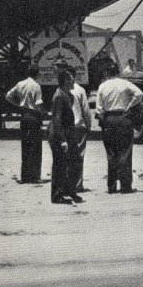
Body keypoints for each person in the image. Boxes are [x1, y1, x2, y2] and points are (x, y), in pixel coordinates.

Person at [94, 71, 143, 193]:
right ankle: (125, 186)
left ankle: (111, 186)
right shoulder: (124, 83)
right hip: (124, 118)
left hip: (109, 120)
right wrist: (130, 106)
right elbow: (139, 93)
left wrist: (106, 120)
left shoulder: (103, 86)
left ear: (107, 74)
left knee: (111, 153)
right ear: (118, 73)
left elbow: (99, 110)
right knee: (125, 152)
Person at [5, 64, 45, 183]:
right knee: (36, 146)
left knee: (25, 145)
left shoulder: (20, 84)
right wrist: (43, 113)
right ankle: (35, 176)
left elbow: (8, 96)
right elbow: (38, 103)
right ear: (37, 74)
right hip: (33, 116)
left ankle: (25, 176)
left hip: (24, 116)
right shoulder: (36, 86)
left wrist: (18, 104)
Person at [47, 68, 78, 204]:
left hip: (65, 134)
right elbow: (57, 120)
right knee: (59, 166)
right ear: (65, 81)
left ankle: (68, 191)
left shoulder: (65, 94)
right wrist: (63, 140)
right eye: (71, 79)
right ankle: (57, 195)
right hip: (59, 137)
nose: (74, 81)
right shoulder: (59, 96)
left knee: (67, 164)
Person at [67, 69, 92, 193]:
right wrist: (89, 125)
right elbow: (86, 111)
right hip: (79, 127)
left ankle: (68, 184)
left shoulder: (60, 91)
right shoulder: (80, 90)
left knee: (67, 156)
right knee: (79, 156)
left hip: (67, 128)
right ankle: (78, 184)